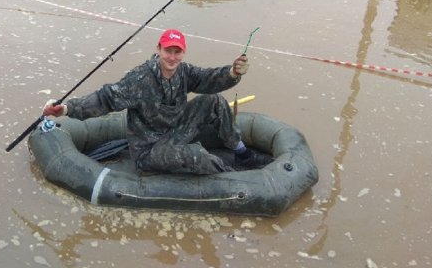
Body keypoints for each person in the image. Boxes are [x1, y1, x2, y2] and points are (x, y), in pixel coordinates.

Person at [42, 29, 272, 175]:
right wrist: (66, 109)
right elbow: (106, 98)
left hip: (176, 129)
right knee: (197, 157)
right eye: (168, 51)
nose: (172, 57)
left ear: (183, 53)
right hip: (150, 149)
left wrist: (232, 72)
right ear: (158, 49)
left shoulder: (184, 71)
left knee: (214, 100)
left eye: (177, 52)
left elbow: (209, 79)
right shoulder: (140, 79)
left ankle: (243, 154)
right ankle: (234, 175)